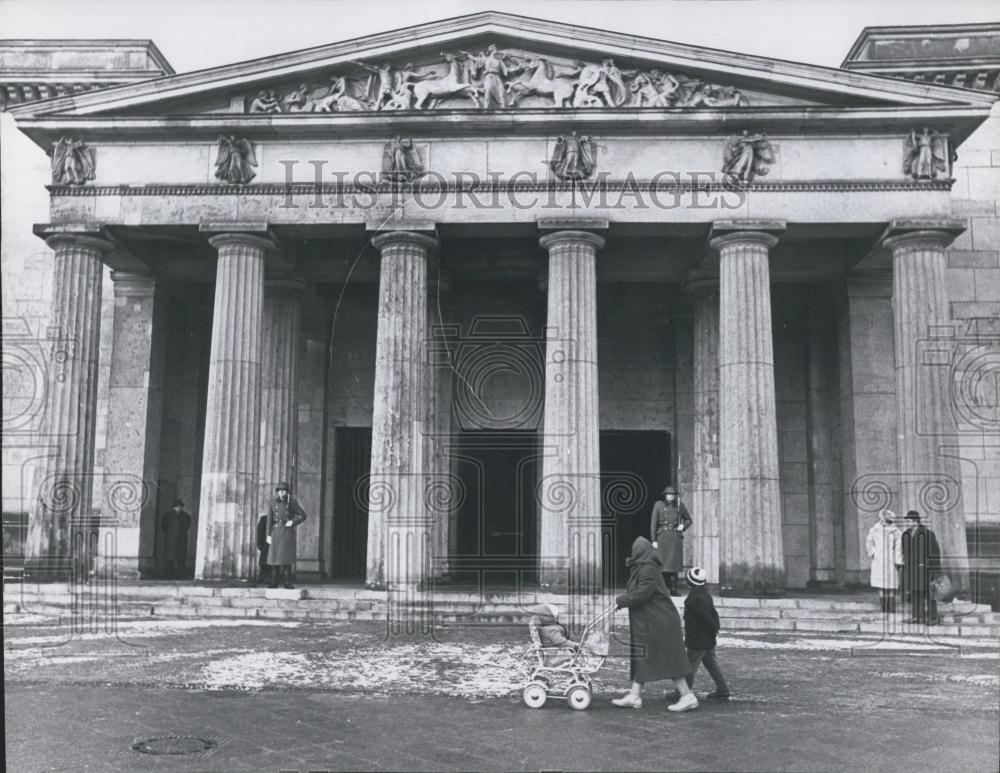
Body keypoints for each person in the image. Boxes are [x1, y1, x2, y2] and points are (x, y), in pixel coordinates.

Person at [612, 536, 698, 712]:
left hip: (659, 622)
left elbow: (642, 593)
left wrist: (620, 600)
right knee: (643, 656)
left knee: (669, 659)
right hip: (652, 621)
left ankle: (687, 696)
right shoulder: (645, 567)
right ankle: (635, 696)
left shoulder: (647, 569)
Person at [681, 567, 730, 700]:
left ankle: (683, 692)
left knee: (690, 665)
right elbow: (713, 614)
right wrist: (715, 629)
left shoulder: (694, 598)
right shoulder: (705, 595)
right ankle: (723, 688)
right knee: (711, 664)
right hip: (707, 638)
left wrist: (713, 628)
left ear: (690, 582)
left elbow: (705, 618)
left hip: (698, 639)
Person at [650, 486, 693, 596]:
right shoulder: (658, 505)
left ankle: (673, 589)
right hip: (662, 536)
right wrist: (653, 539)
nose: (671, 496)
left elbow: (688, 519)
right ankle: (661, 589)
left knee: (673, 565)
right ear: (665, 495)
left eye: (673, 495)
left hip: (674, 537)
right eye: (669, 494)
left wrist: (682, 526)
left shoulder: (679, 506)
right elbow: (653, 523)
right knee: (661, 565)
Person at [264, 482, 307, 589]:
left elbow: (303, 515)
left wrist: (292, 522)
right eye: (280, 491)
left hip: (287, 532)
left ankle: (287, 582)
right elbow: (269, 520)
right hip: (275, 532)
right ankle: (274, 581)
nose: (282, 493)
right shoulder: (272, 503)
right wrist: (268, 535)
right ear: (277, 492)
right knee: (274, 558)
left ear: (287, 492)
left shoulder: (292, 502)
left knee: (286, 558)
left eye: (284, 491)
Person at [901, 510, 941, 625]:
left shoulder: (928, 534)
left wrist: (935, 569)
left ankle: (933, 617)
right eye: (906, 521)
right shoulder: (906, 535)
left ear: (916, 521)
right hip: (911, 569)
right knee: (915, 592)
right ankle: (917, 616)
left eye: (908, 521)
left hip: (925, 569)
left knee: (929, 593)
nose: (907, 523)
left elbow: (935, 553)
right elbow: (904, 553)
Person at [866, 509, 903, 614]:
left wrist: (898, 560)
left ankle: (891, 608)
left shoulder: (896, 531)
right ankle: (884, 608)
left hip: (891, 560)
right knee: (881, 584)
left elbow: (899, 547)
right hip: (879, 560)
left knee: (891, 585)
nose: (883, 520)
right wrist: (873, 553)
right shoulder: (875, 530)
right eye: (882, 518)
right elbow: (869, 542)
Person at [160, 499, 191, 579]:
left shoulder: (186, 516)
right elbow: (163, 526)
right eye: (177, 506)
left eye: (180, 506)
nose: (178, 508)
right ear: (173, 507)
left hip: (181, 540)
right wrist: (170, 534)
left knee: (180, 558)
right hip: (170, 540)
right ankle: (168, 575)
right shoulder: (167, 515)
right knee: (169, 558)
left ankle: (180, 574)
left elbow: (187, 526)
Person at [254, 513, 271, 587]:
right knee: (264, 562)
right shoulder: (264, 518)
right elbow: (260, 531)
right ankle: (264, 576)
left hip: (276, 545)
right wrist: (259, 543)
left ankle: (268, 577)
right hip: (266, 544)